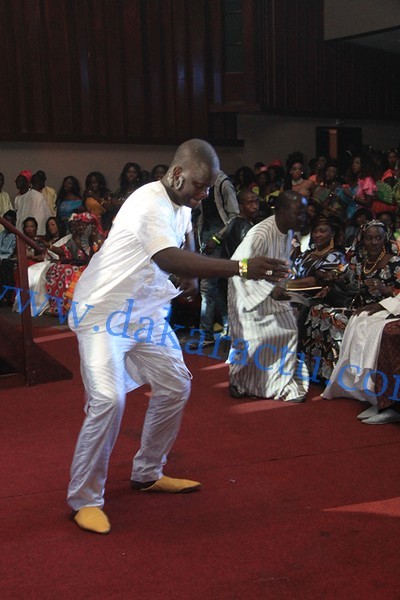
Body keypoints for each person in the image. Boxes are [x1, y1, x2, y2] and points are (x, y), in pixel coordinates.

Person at [67, 139, 289, 535]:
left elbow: (184, 240)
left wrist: (190, 275)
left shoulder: (182, 202)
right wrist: (240, 267)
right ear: (176, 174)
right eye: (200, 187)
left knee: (175, 384)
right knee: (108, 399)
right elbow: (166, 256)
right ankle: (84, 499)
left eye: (208, 188)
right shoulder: (147, 202)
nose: (203, 194)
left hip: (145, 314)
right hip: (102, 312)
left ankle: (148, 472)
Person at [227, 189, 309, 402]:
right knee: (252, 342)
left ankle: (280, 384)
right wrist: (271, 289)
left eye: (304, 212)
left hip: (268, 290)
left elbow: (279, 264)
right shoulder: (260, 234)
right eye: (298, 212)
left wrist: (282, 286)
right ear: (281, 210)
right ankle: (239, 381)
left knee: (288, 330)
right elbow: (238, 268)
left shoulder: (288, 231)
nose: (303, 217)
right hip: (246, 291)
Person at [191, 170, 239, 346]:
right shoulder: (202, 182)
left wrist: (217, 238)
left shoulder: (223, 184)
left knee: (208, 287)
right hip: (206, 237)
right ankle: (226, 327)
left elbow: (234, 216)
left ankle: (207, 335)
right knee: (214, 288)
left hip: (220, 239)